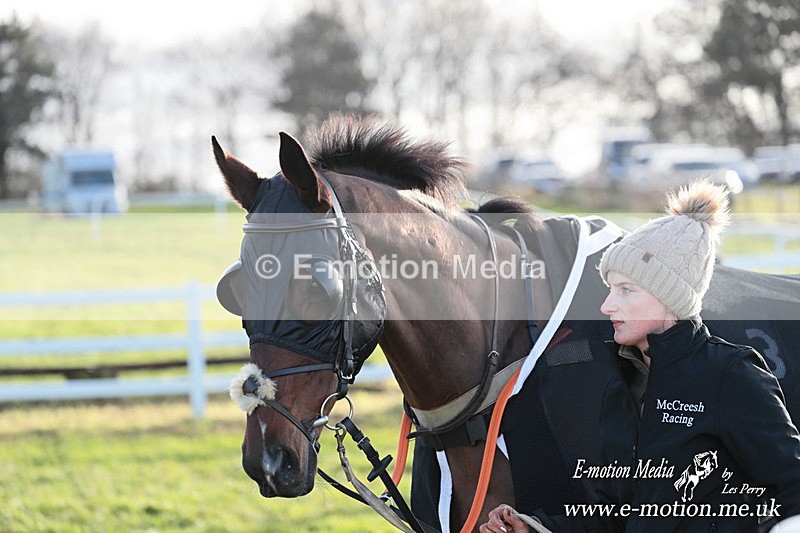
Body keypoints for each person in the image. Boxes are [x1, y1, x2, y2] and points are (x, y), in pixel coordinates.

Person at [480, 180, 800, 532]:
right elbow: (612, 516)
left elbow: (793, 487)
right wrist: (536, 528)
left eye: (626, 290)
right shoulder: (620, 387)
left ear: (670, 296)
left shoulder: (731, 374)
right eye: (610, 289)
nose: (606, 305)